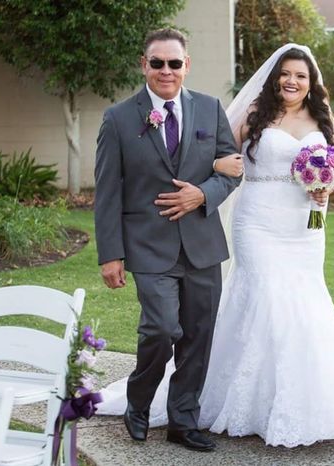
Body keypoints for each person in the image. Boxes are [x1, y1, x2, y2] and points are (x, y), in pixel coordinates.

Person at [98, 43, 334, 448]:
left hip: (304, 227)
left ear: (311, 82)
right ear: (274, 76)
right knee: (263, 300)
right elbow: (217, 156)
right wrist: (212, 172)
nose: (292, 80)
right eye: (286, 73)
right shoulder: (253, 115)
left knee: (303, 308)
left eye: (301, 75)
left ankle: (284, 406)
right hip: (260, 224)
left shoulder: (323, 117)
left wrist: (326, 187)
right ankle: (169, 404)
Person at [94, 28, 241, 452]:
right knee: (160, 329)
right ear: (144, 65)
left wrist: (202, 194)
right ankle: (138, 402)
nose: (165, 70)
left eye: (174, 63)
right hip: (148, 246)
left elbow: (231, 170)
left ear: (186, 66)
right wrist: (111, 254)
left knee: (198, 334)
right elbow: (107, 192)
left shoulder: (210, 109)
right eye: (157, 62)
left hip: (201, 245)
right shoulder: (118, 118)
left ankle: (183, 420)